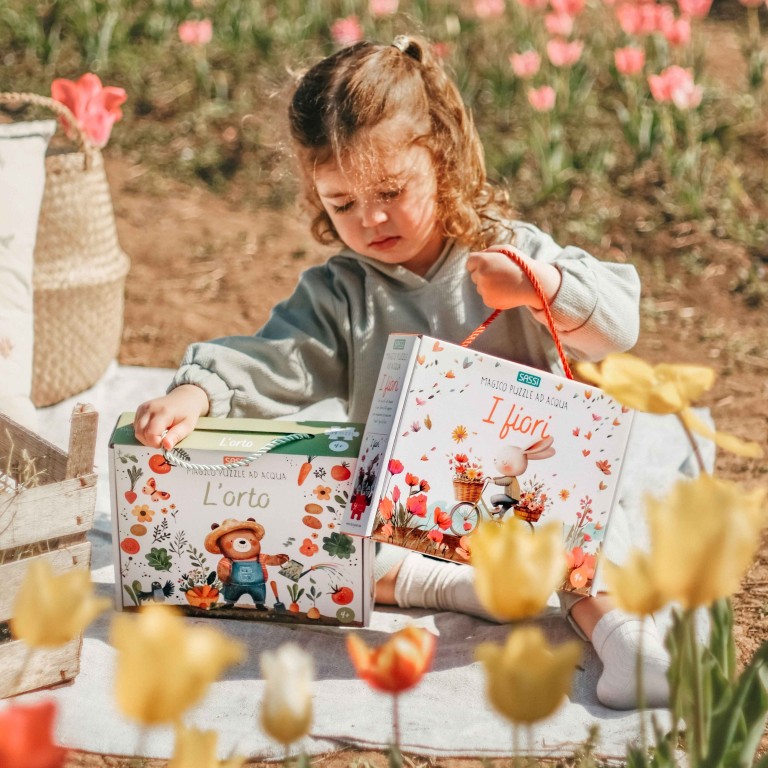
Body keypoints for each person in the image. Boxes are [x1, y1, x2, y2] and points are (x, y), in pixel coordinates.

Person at [133, 34, 669, 710]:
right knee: (314, 523)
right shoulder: (342, 292)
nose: (372, 219)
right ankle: (448, 586)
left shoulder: (504, 255)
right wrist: (198, 389)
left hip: (522, 498)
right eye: (342, 203)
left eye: (390, 190)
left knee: (580, 549)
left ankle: (621, 641)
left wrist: (542, 286)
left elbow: (618, 325)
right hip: (408, 512)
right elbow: (276, 357)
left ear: (440, 159)